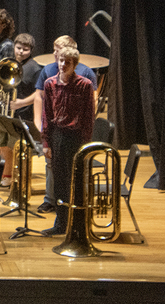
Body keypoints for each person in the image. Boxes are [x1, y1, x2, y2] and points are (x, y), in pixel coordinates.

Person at [30, 35, 99, 214]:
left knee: (76, 173)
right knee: (55, 171)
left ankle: (77, 212)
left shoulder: (86, 78)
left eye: (59, 51)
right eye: (57, 54)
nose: (57, 57)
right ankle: (53, 205)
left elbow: (89, 111)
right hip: (57, 133)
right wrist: (44, 136)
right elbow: (45, 107)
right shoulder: (49, 76)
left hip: (75, 135)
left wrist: (85, 140)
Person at [40, 47, 96, 237]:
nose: (63, 64)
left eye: (68, 62)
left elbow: (88, 117)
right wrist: (46, 143)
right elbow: (46, 115)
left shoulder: (85, 85)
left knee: (77, 182)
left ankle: (78, 225)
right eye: (61, 60)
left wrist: (86, 145)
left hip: (76, 137)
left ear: (75, 65)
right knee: (60, 183)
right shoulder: (49, 84)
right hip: (57, 136)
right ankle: (61, 223)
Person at [1, 33, 43, 186]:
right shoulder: (9, 64)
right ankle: (8, 175)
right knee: (4, 145)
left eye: (25, 49)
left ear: (31, 50)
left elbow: (39, 93)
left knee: (17, 148)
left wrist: (22, 103)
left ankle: (19, 179)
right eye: (18, 48)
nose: (21, 52)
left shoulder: (35, 68)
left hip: (23, 114)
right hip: (6, 112)